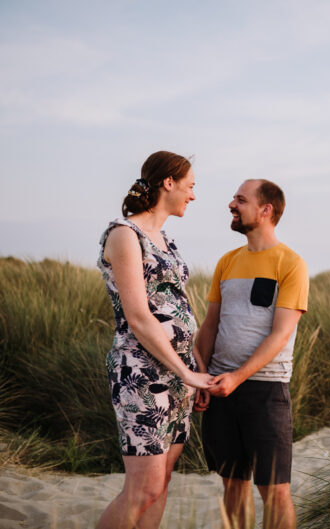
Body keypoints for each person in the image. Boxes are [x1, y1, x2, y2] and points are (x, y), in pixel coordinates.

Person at [96, 151, 213, 529]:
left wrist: (196, 369)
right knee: (143, 487)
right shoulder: (124, 234)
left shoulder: (166, 240)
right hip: (141, 372)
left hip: (180, 375)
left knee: (161, 483)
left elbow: (181, 308)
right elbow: (139, 318)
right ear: (169, 183)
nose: (193, 196)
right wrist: (186, 372)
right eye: (190, 186)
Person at [195, 179, 308, 529]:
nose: (231, 204)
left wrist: (237, 377)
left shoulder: (291, 264)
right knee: (233, 483)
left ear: (265, 210)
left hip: (265, 390)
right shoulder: (227, 262)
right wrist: (199, 375)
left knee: (273, 490)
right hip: (219, 390)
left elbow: (281, 334)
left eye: (240, 200)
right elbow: (210, 326)